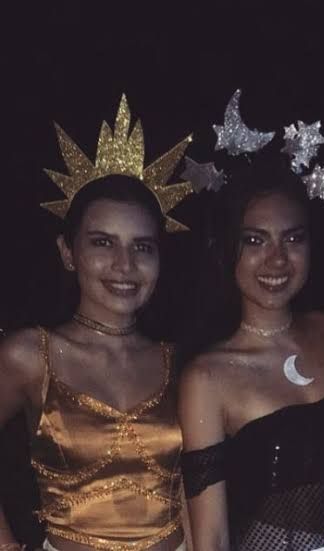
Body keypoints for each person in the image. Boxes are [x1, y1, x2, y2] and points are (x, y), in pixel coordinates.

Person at [0, 96, 194, 551]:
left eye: (142, 246)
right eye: (103, 242)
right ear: (68, 253)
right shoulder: (31, 355)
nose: (123, 265)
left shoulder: (181, 361)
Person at [178, 158, 324, 551]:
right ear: (225, 248)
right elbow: (211, 536)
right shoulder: (207, 377)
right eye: (254, 240)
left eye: (293, 238)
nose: (277, 259)